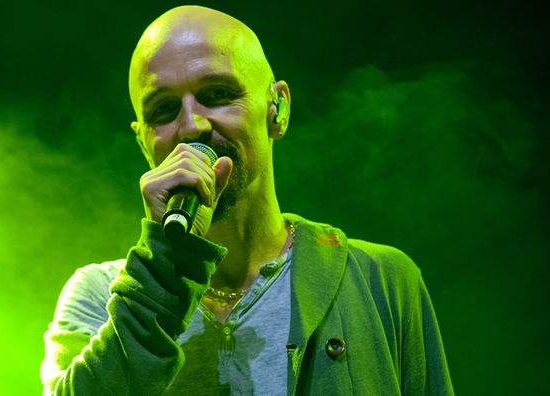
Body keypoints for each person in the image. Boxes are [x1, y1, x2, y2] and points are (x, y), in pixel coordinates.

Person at [40, 5, 453, 395]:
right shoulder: (100, 295)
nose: (191, 126)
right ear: (143, 141)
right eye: (163, 109)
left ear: (278, 109)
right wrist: (163, 268)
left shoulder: (381, 281)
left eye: (217, 93)